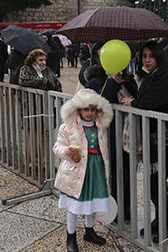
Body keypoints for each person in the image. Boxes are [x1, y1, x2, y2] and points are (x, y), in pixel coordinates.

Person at [120, 41, 168, 242]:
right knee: (155, 183)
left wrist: (134, 102)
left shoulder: (163, 77)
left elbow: (149, 102)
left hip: (165, 140)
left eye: (151, 56)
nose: (147, 60)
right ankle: (163, 218)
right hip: (155, 140)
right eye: (144, 56)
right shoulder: (149, 76)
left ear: (159, 57)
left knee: (156, 182)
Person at [53, 88, 113, 252]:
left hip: (96, 168)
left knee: (93, 203)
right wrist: (65, 152)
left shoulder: (100, 126)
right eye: (86, 108)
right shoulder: (68, 127)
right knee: (74, 206)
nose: (90, 112)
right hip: (77, 171)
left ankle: (89, 230)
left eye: (93, 109)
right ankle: (70, 236)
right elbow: (57, 145)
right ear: (77, 109)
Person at [84, 65, 138, 223]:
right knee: (112, 171)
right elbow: (95, 104)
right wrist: (112, 83)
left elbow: (138, 98)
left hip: (129, 133)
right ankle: (113, 207)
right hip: (108, 135)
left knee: (128, 170)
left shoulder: (129, 80)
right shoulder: (95, 81)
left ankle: (126, 206)